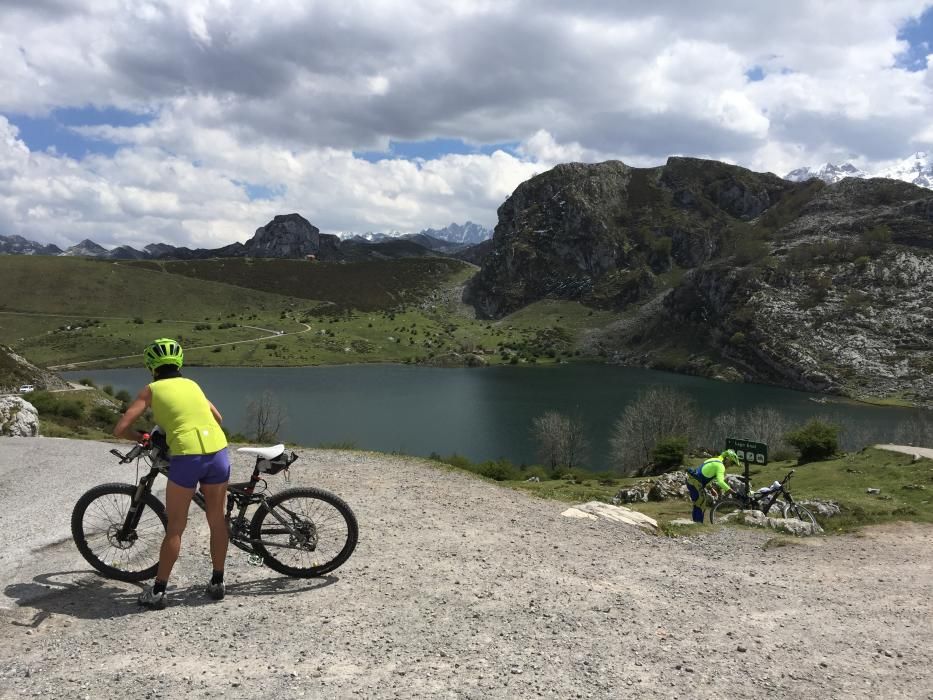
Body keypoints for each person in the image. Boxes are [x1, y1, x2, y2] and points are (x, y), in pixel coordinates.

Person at [113, 338, 230, 610]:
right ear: (179, 363)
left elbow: (120, 429)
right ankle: (217, 582)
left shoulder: (151, 390)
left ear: (150, 366)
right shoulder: (192, 385)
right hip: (218, 450)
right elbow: (219, 419)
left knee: (176, 527)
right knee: (217, 519)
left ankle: (158, 591)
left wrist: (142, 436)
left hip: (186, 456)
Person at [685, 449, 740, 523]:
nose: (730, 466)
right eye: (732, 463)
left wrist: (711, 489)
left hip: (691, 479)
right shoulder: (720, 466)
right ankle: (698, 524)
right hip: (695, 481)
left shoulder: (714, 459)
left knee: (699, 502)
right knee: (700, 503)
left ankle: (696, 523)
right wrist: (731, 491)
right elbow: (720, 482)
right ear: (727, 459)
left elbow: (706, 474)